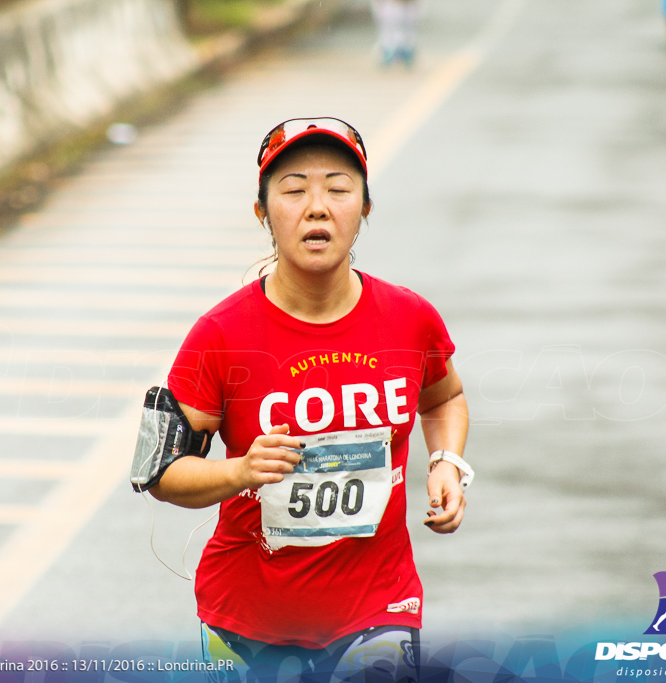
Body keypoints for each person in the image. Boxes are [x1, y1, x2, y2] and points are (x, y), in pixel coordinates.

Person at [148, 118, 471, 682]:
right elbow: (161, 473)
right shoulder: (220, 335)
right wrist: (238, 471)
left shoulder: (409, 318)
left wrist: (447, 461)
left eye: (339, 189)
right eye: (294, 190)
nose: (316, 207)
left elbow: (444, 399)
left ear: (365, 208)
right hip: (248, 618)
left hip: (379, 605)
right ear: (262, 212)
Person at [371, 0, 422, 67]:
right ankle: (387, 52)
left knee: (406, 35)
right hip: (390, 7)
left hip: (407, 7)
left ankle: (406, 53)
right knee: (389, 34)